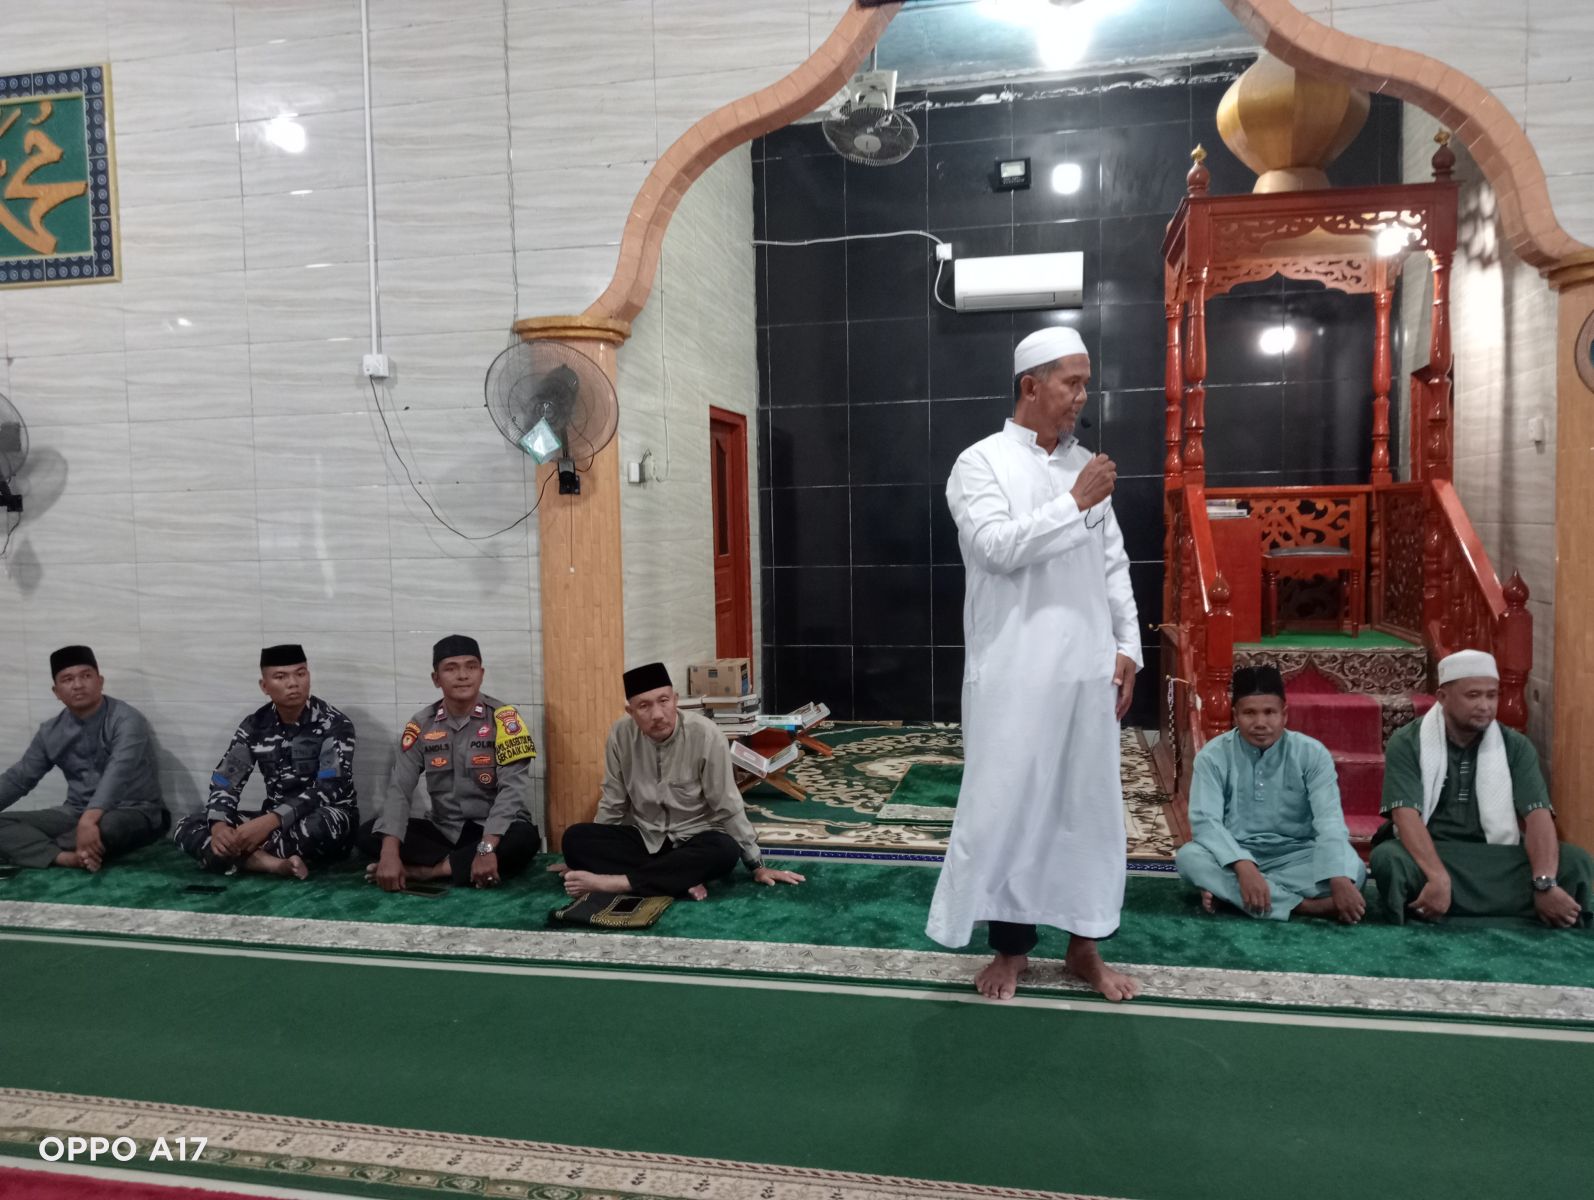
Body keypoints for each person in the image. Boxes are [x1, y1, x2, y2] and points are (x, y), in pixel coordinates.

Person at [926, 326, 1142, 1002]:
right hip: (1013, 671)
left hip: (1086, 668)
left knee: (1086, 808)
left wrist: (1128, 646)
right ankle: (1011, 950)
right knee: (1010, 805)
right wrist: (1074, 501)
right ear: (1031, 386)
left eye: (1085, 384)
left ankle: (1085, 947)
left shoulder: (1084, 466)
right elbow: (996, 548)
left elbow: (1112, 565)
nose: (1082, 396)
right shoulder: (979, 464)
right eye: (1072, 383)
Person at [1370, 649, 1593, 927]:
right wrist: (1438, 877)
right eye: (1473, 695)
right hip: (1433, 853)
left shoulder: (1516, 746)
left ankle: (1444, 907)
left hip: (1495, 854)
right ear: (1442, 697)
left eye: (1492, 695)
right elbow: (1405, 818)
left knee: (1576, 861)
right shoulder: (1407, 742)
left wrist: (1544, 882)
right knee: (1388, 859)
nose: (1485, 706)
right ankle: (1511, 907)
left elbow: (1538, 816)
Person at [556, 662, 805, 900]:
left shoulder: (706, 735)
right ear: (630, 712)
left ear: (675, 700)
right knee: (575, 839)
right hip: (647, 837)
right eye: (644, 706)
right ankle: (680, 878)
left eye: (663, 701)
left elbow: (727, 804)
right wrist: (593, 849)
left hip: (696, 838)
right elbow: (613, 801)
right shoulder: (620, 735)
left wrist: (756, 864)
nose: (657, 714)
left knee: (724, 850)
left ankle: (618, 883)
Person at [1175, 666, 1366, 922]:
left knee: (1354, 870)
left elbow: (1329, 820)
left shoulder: (1312, 753)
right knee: (1189, 858)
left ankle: (1236, 895)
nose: (1260, 723)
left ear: (1284, 714)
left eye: (1269, 712)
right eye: (1249, 713)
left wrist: (1339, 877)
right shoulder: (1213, 756)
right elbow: (1205, 822)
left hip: (1298, 855)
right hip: (1235, 853)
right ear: (1235, 715)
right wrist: (1243, 866)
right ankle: (1307, 906)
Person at [360, 635, 540, 890]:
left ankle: (429, 872)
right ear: (436, 679)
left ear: (481, 673)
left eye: (471, 667)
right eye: (451, 669)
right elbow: (400, 788)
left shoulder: (505, 720)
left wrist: (486, 848)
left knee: (524, 838)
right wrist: (389, 853)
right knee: (369, 833)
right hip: (445, 831)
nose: (463, 675)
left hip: (495, 830)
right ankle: (460, 865)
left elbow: (511, 792)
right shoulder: (421, 724)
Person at [172, 645, 358, 879]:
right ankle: (272, 864)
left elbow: (328, 788)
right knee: (188, 825)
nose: (293, 683)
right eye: (281, 676)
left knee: (320, 825)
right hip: (272, 821)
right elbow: (227, 781)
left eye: (300, 674)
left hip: (324, 815)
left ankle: (234, 856)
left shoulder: (334, 723)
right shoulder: (255, 725)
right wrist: (219, 826)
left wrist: (269, 822)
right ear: (264, 686)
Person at [0, 645, 165, 870]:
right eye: (67, 679)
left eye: (86, 676)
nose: (78, 685)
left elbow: (118, 772)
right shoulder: (51, 731)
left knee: (108, 827)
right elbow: (19, 778)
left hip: (133, 811)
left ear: (100, 681)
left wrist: (89, 819)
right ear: (56, 692)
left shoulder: (126, 720)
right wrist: (84, 820)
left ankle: (47, 848)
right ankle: (65, 857)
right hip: (75, 813)